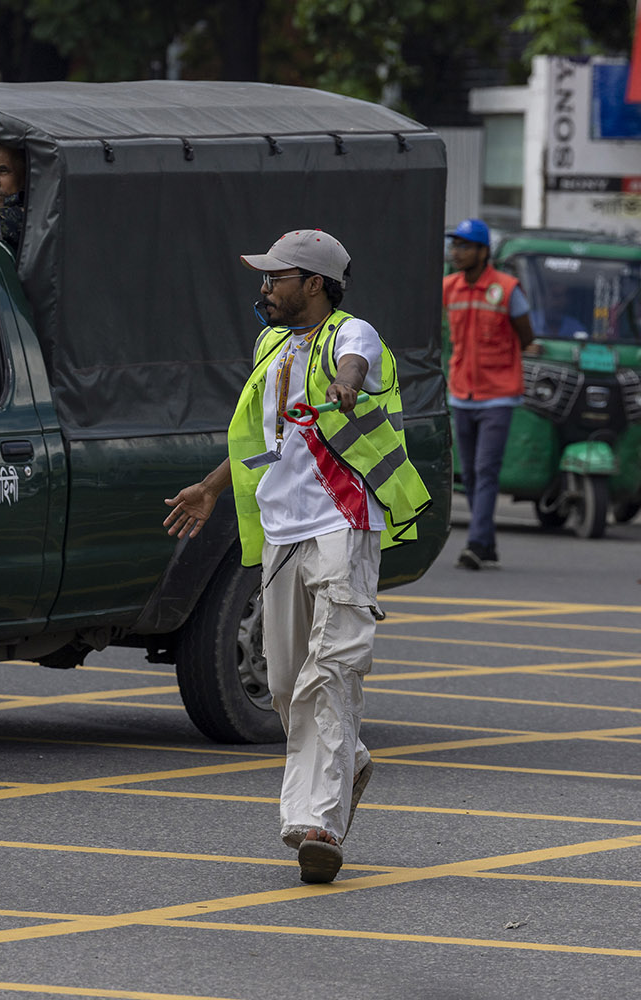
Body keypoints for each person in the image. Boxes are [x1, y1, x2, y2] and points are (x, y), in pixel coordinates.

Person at [162, 229, 431, 885]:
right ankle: (350, 761)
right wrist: (209, 488)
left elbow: (356, 367)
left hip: (343, 520)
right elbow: (265, 442)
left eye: (276, 277)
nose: (264, 288)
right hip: (283, 532)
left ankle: (320, 826)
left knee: (331, 671)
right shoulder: (270, 347)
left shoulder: (351, 334)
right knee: (284, 684)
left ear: (313, 283)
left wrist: (345, 387)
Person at [442, 217, 536, 571]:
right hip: (461, 393)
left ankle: (478, 544)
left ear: (484, 252)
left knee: (485, 469)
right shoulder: (449, 287)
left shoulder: (507, 289)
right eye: (455, 245)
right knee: (470, 472)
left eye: (465, 246)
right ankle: (489, 544)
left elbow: (526, 336)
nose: (457, 252)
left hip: (498, 395)